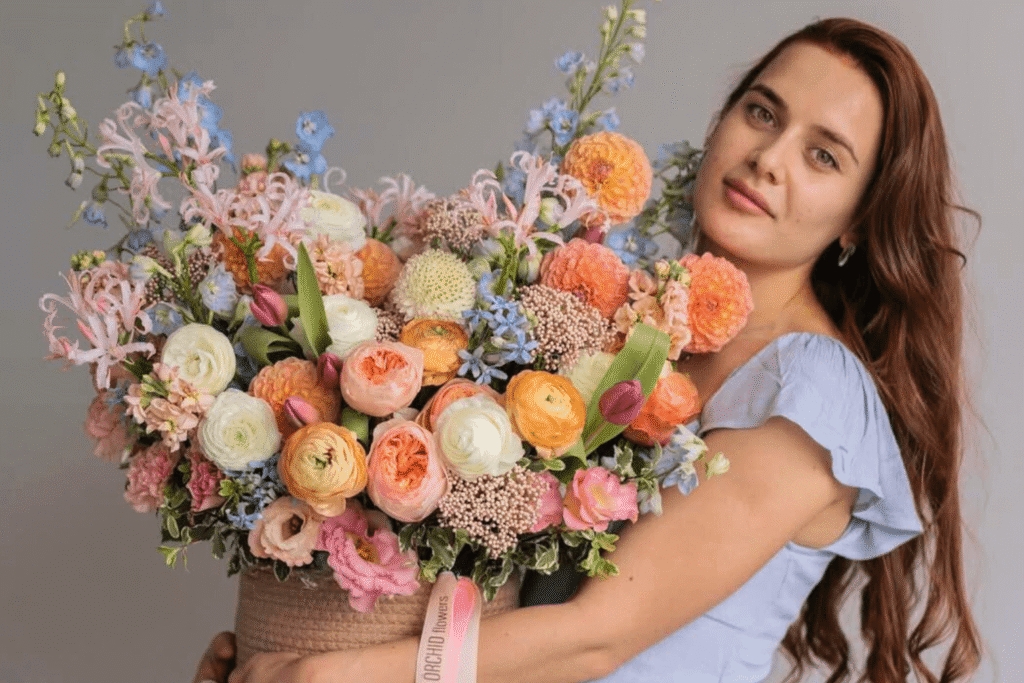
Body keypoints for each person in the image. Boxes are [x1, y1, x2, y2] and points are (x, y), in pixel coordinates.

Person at [194, 17, 981, 683]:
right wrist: (299, 642)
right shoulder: (621, 331)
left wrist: (323, 676)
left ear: (857, 220)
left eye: (824, 155)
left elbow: (600, 631)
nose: (768, 158)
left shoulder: (812, 390)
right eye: (762, 112)